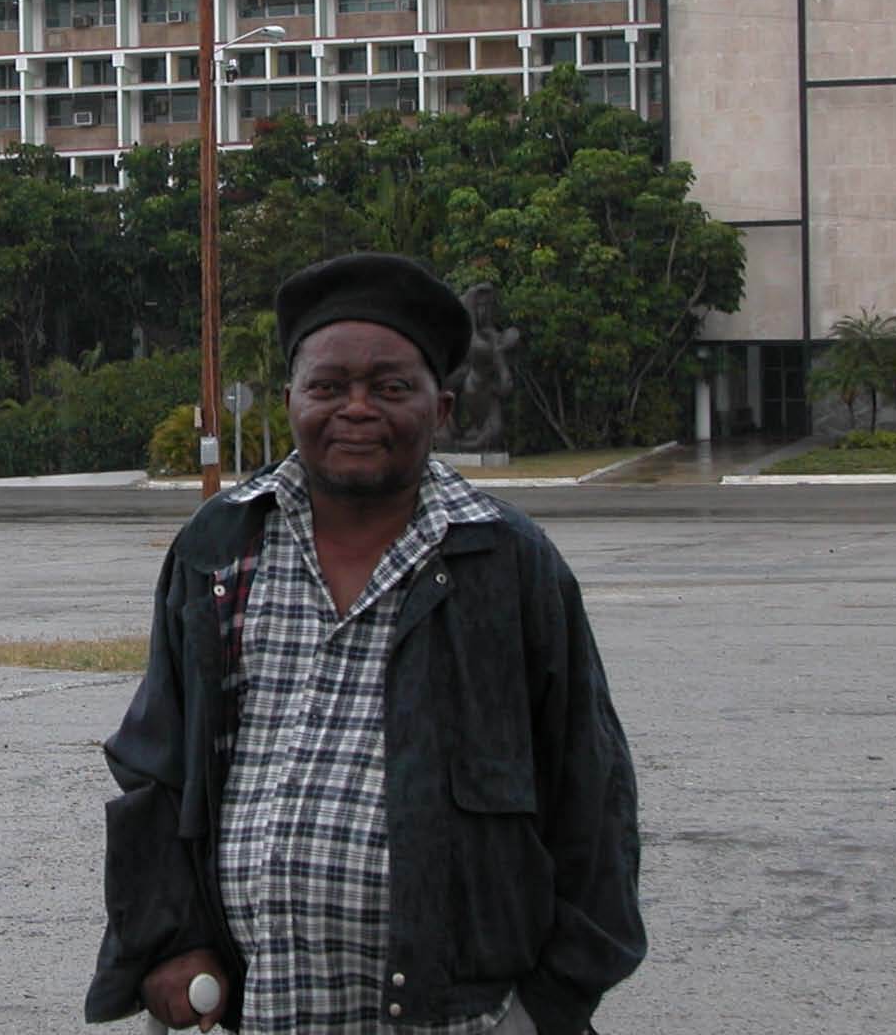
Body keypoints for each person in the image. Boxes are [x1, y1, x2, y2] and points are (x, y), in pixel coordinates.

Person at [86, 252, 645, 1035]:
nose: (356, 409)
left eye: (390, 388)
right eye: (328, 387)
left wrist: (550, 1003)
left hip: (466, 1019)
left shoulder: (507, 564)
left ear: (440, 408)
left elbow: (593, 795)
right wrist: (168, 941)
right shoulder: (218, 548)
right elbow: (156, 766)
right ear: (290, 400)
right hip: (255, 1009)